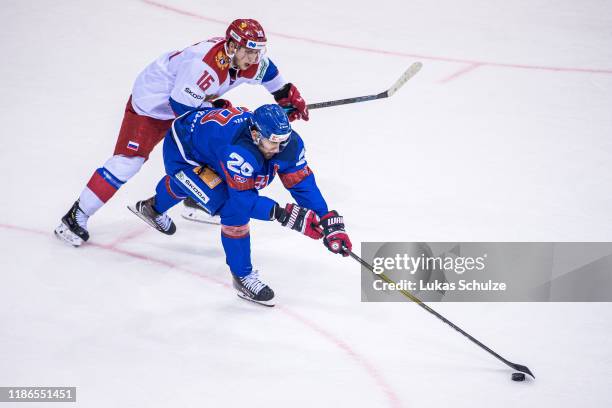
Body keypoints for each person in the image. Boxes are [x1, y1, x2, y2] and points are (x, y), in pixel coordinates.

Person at [55, 19, 309, 247]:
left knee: (213, 149)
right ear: (232, 47)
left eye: (257, 51)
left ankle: (194, 199)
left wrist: (285, 96)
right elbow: (183, 109)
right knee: (127, 163)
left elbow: (269, 72)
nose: (254, 58)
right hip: (152, 106)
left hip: (186, 104)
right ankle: (76, 215)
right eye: (249, 52)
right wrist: (217, 109)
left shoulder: (246, 59)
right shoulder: (204, 66)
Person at [128, 104, 351, 306]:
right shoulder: (238, 152)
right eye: (273, 141)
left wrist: (327, 219)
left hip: (210, 144)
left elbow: (302, 184)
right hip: (184, 153)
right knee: (229, 208)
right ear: (255, 134)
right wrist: (283, 214)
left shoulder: (286, 143)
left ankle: (153, 206)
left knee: (206, 187)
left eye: (283, 141)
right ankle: (242, 276)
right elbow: (242, 202)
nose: (279, 148)